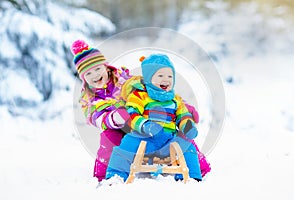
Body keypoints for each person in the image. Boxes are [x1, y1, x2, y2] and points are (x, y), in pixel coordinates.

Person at [105, 54, 203, 183]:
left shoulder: (175, 99)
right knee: (126, 145)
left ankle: (192, 176)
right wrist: (145, 125)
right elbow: (132, 113)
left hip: (168, 140)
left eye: (170, 76)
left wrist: (187, 125)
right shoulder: (140, 95)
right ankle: (116, 176)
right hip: (143, 138)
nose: (166, 79)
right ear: (149, 78)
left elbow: (183, 115)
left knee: (188, 147)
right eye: (160, 75)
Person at [71, 40, 131, 182]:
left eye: (98, 69)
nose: (95, 75)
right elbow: (96, 118)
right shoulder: (89, 98)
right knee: (109, 138)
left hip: (136, 119)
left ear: (106, 67)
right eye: (88, 73)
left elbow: (138, 92)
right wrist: (114, 119)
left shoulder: (123, 80)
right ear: (83, 78)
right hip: (114, 127)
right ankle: (103, 176)